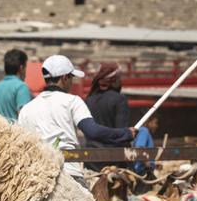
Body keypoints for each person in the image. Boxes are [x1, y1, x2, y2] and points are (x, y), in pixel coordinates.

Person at [16, 54, 134, 186]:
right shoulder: (72, 101)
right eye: (71, 77)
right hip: (68, 174)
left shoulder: (26, 109)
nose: (72, 82)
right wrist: (126, 133)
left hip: (38, 178)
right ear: (65, 77)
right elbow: (92, 131)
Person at [0, 48, 33, 122]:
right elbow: (24, 117)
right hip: (14, 132)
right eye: (25, 68)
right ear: (21, 68)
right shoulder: (21, 87)